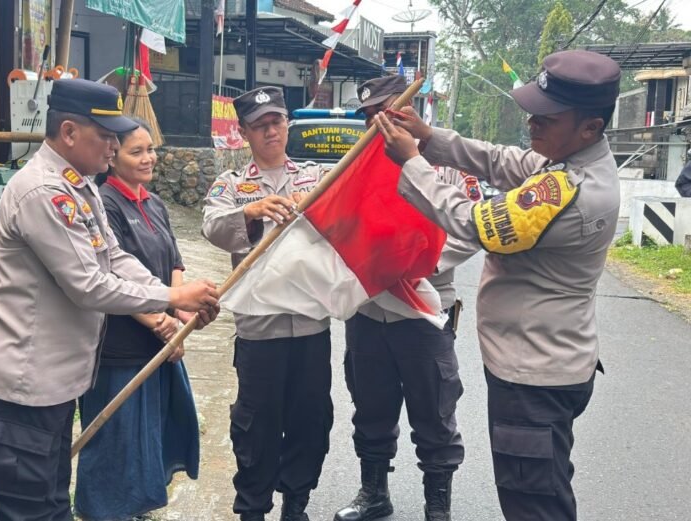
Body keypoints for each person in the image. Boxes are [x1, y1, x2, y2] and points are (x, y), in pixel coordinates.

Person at [374, 49, 621, 521]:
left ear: (589, 126)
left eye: (547, 117)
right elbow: (506, 161)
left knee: (534, 504)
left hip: (534, 375)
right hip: (538, 362)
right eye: (532, 112)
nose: (533, 123)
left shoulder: (573, 191)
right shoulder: (568, 160)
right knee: (538, 489)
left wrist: (411, 163)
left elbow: (475, 222)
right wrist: (432, 140)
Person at [0, 79, 219, 521]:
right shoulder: (43, 193)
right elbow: (89, 285)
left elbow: (114, 256)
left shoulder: (77, 185)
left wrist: (172, 302)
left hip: (55, 382)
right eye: (106, 137)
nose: (113, 146)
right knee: (33, 508)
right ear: (68, 132)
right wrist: (173, 294)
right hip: (27, 385)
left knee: (50, 498)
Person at [334, 75, 481, 521]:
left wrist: (417, 263)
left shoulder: (445, 166)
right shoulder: (351, 168)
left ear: (408, 110)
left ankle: (437, 505)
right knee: (371, 408)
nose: (377, 123)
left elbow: (471, 227)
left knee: (434, 413)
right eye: (368, 117)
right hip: (369, 308)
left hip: (424, 309)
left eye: (386, 111)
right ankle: (373, 493)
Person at [201, 86, 332, 521]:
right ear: (243, 133)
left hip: (312, 326)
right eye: (260, 126)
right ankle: (253, 509)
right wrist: (253, 211)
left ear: (287, 123)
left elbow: (346, 217)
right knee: (255, 426)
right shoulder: (232, 185)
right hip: (260, 330)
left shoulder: (317, 176)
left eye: (277, 121)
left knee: (310, 421)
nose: (271, 131)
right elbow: (212, 227)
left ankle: (296, 504)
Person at [73, 119, 200, 521]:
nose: (149, 158)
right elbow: (107, 277)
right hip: (121, 346)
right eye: (137, 151)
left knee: (152, 439)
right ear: (114, 157)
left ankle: (137, 509)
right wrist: (163, 325)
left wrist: (179, 316)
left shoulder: (155, 203)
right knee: (116, 441)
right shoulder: (104, 205)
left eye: (150, 149)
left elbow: (174, 263)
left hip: (160, 346)